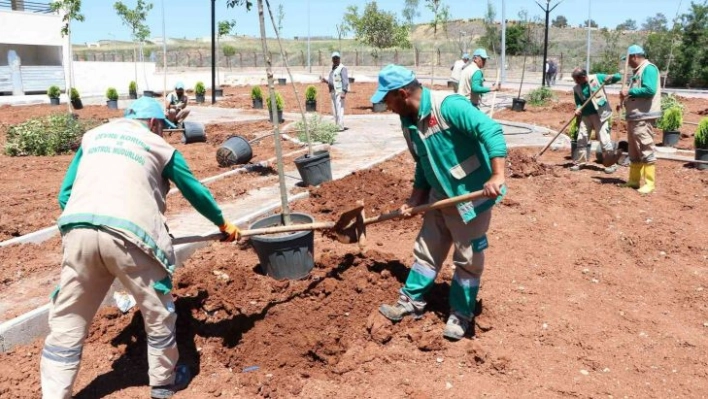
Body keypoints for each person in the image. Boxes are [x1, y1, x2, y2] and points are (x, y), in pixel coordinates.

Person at [40, 97, 240, 399]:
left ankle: (54, 394)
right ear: (155, 124)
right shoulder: (158, 145)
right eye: (162, 128)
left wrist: (90, 227)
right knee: (158, 313)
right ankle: (163, 383)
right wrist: (223, 223)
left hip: (78, 229)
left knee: (68, 319)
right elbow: (194, 190)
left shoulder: (93, 136)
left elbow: (65, 194)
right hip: (130, 237)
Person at [371, 65, 507, 341]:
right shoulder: (408, 120)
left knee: (468, 258)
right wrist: (415, 199)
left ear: (402, 93)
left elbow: (491, 130)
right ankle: (412, 301)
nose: (386, 105)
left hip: (470, 196)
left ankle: (461, 314)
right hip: (439, 196)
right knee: (427, 250)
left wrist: (497, 175)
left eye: (387, 99)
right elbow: (423, 162)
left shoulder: (448, 106)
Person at [619, 45, 661, 194]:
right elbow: (635, 93)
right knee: (634, 150)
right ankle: (634, 180)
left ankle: (649, 183)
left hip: (643, 117)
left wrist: (629, 91)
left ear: (635, 56)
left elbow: (650, 90)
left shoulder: (648, 69)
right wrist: (624, 102)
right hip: (635, 116)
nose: (628, 63)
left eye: (628, 60)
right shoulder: (637, 71)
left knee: (645, 147)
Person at [570, 67, 623, 173]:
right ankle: (580, 162)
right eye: (574, 79)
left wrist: (613, 76)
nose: (575, 81)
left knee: (604, 139)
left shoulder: (597, 78)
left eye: (577, 79)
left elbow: (618, 77)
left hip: (600, 115)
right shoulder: (576, 88)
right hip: (586, 115)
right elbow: (578, 102)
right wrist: (578, 108)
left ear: (583, 77)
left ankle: (611, 164)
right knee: (582, 138)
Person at [321, 51, 349, 131]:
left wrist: (344, 91)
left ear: (339, 59)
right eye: (334, 58)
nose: (335, 60)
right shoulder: (332, 68)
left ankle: (340, 126)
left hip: (339, 92)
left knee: (340, 109)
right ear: (332, 59)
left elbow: (345, 81)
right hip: (333, 91)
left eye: (337, 58)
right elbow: (332, 81)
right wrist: (325, 81)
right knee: (334, 109)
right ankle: (336, 125)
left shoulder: (342, 68)